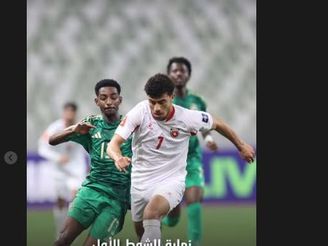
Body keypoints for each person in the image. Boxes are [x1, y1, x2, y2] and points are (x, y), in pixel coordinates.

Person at [107, 73, 255, 244]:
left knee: (152, 214)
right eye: (152, 102)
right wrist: (117, 158)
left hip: (171, 180)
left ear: (172, 97)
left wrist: (241, 146)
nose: (156, 108)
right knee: (142, 234)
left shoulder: (187, 117)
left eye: (161, 102)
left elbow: (218, 123)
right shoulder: (139, 112)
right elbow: (113, 145)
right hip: (140, 183)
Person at [49, 79, 133, 246]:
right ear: (97, 101)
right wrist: (73, 130)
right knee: (62, 240)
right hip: (91, 192)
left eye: (113, 97)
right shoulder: (91, 125)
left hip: (117, 200)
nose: (109, 102)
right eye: (103, 98)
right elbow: (52, 140)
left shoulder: (131, 125)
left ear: (120, 100)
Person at [161, 57, 217, 246]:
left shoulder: (197, 101)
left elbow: (205, 124)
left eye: (182, 71)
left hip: (192, 159)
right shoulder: (163, 101)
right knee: (173, 214)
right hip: (170, 160)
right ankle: (167, 218)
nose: (178, 74)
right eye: (175, 71)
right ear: (169, 74)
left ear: (188, 75)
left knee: (194, 199)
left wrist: (208, 138)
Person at [38, 102, 88, 239]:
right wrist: (57, 157)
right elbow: (42, 148)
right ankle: (59, 231)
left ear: (75, 114)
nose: (69, 116)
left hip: (76, 169)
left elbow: (89, 147)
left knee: (75, 198)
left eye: (72, 113)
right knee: (60, 201)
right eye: (67, 112)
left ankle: (69, 232)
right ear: (64, 113)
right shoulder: (55, 127)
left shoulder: (81, 128)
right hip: (59, 171)